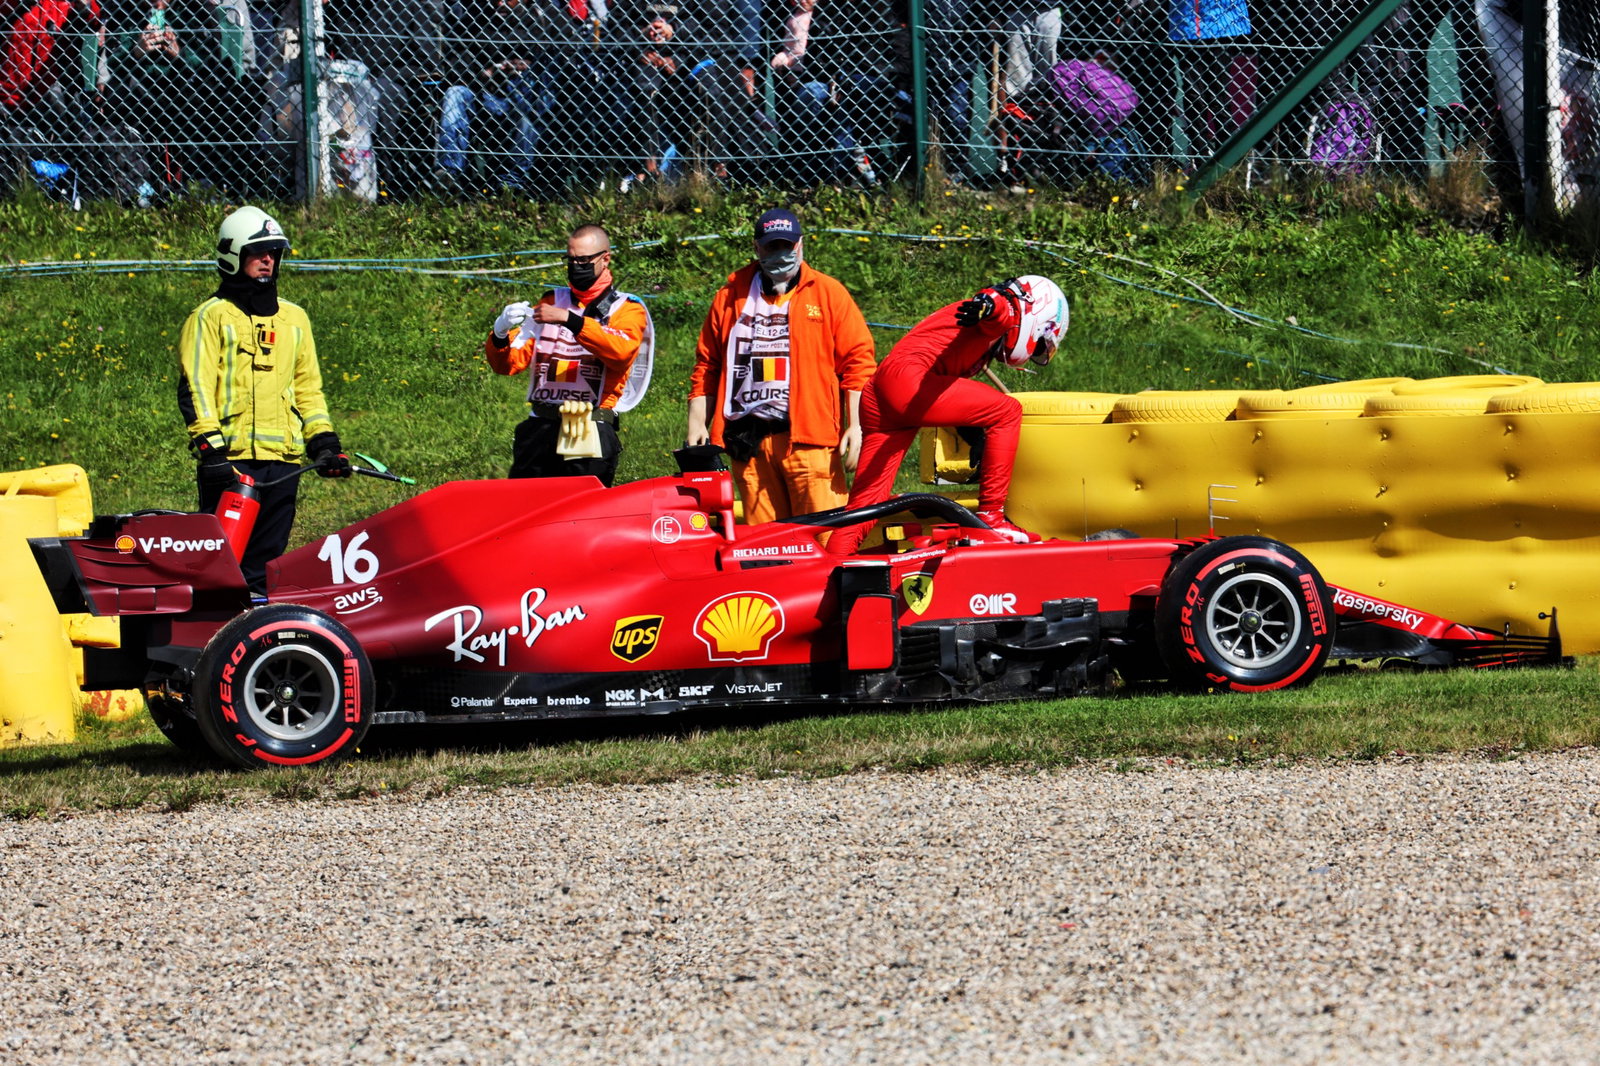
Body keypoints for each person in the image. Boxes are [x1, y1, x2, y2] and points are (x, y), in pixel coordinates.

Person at [177, 206, 352, 595]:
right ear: (233, 255)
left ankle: (251, 635)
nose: (268, 260)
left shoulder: (295, 320)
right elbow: (195, 387)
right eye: (258, 252)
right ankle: (211, 641)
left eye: (274, 252)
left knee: (265, 564)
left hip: (283, 465)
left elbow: (308, 389)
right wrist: (212, 453)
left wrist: (325, 445)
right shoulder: (210, 317)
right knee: (222, 565)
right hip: (232, 464)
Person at [827, 275, 1068, 555]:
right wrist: (988, 303)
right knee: (1007, 411)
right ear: (1038, 314)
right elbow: (999, 306)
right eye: (1039, 342)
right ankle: (992, 516)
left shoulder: (982, 331)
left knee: (866, 504)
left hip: (880, 390)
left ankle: (832, 566)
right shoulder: (1003, 312)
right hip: (909, 382)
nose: (1035, 347)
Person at [686, 207, 877, 525]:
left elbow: (858, 362)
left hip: (810, 442)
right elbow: (708, 364)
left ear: (800, 245)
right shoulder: (729, 297)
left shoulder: (829, 294)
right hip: (748, 442)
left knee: (824, 541)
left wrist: (856, 426)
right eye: (771, 246)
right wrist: (697, 424)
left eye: (787, 246)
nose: (780, 254)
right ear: (756, 248)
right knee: (765, 552)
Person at [485, 223, 654, 485]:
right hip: (540, 426)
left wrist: (570, 320)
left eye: (584, 260)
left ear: (605, 259)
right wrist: (499, 332)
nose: (576, 266)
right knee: (523, 511)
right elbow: (510, 364)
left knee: (580, 516)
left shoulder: (627, 309)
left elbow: (621, 352)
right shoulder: (551, 301)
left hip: (590, 427)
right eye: (571, 259)